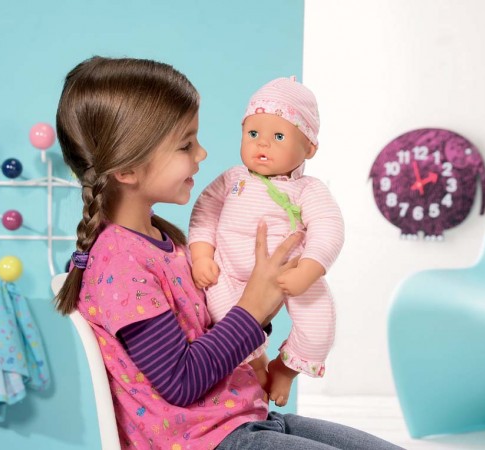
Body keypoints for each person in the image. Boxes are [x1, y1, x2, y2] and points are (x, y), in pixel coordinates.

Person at [54, 56, 403, 450]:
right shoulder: (121, 263)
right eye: (186, 144)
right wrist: (252, 309)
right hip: (206, 440)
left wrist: (261, 311)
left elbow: (212, 329)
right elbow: (180, 381)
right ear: (127, 170)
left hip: (244, 420)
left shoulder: (165, 241)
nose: (202, 154)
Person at [189, 76, 343, 407]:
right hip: (229, 271)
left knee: (320, 326)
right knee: (221, 312)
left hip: (293, 271)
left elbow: (328, 227)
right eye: (253, 134)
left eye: (278, 136)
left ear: (309, 148)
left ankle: (286, 369)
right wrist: (202, 255)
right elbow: (205, 213)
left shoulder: (308, 190)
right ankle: (257, 363)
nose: (263, 144)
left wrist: (309, 269)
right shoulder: (233, 179)